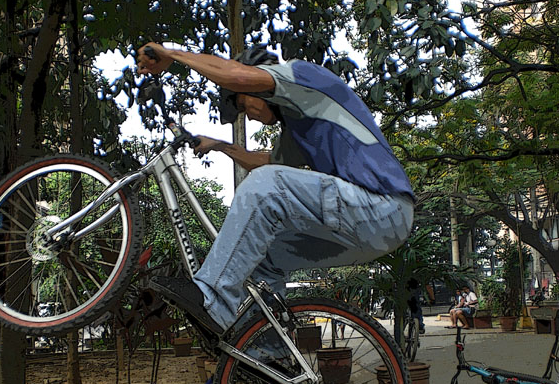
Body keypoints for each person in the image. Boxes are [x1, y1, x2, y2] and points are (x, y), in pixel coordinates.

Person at [136, 43, 415, 337]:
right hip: (369, 228)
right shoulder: (298, 127)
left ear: (259, 80)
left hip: (384, 206)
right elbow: (266, 161)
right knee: (265, 259)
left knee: (264, 185)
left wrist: (172, 55)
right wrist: (219, 146)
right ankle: (270, 357)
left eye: (244, 106)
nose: (251, 116)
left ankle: (212, 299)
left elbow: (236, 77)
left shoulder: (304, 76)